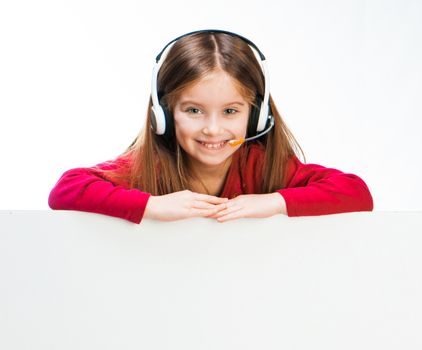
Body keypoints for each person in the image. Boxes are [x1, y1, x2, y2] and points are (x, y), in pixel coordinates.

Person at [48, 29, 374, 224]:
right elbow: (66, 189)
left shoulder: (258, 165)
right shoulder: (150, 167)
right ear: (164, 113)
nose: (213, 129)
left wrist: (275, 201)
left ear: (256, 114)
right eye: (194, 110)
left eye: (231, 110)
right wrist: (151, 206)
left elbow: (356, 192)